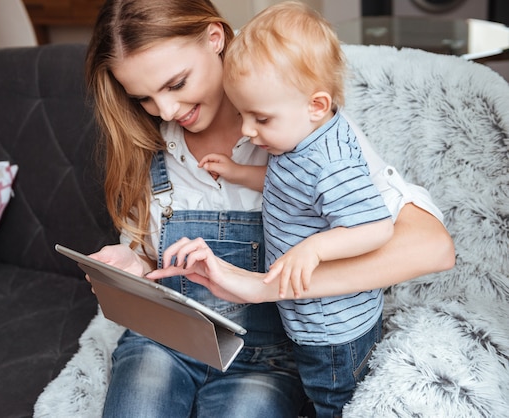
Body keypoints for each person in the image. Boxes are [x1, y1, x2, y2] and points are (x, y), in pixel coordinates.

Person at [85, 0, 455, 417]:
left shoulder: (305, 131)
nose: (167, 112)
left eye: (176, 84)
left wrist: (267, 286)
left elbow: (431, 246)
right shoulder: (145, 141)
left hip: (266, 360)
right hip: (165, 342)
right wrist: (132, 267)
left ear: (214, 39)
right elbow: (153, 256)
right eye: (145, 98)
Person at [194, 2, 393, 415]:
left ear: (316, 106)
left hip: (334, 330)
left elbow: (377, 229)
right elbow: (287, 187)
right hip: (307, 318)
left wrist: (315, 248)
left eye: (260, 119)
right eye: (242, 114)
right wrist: (237, 172)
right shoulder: (296, 137)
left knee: (332, 398)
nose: (248, 131)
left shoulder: (331, 164)